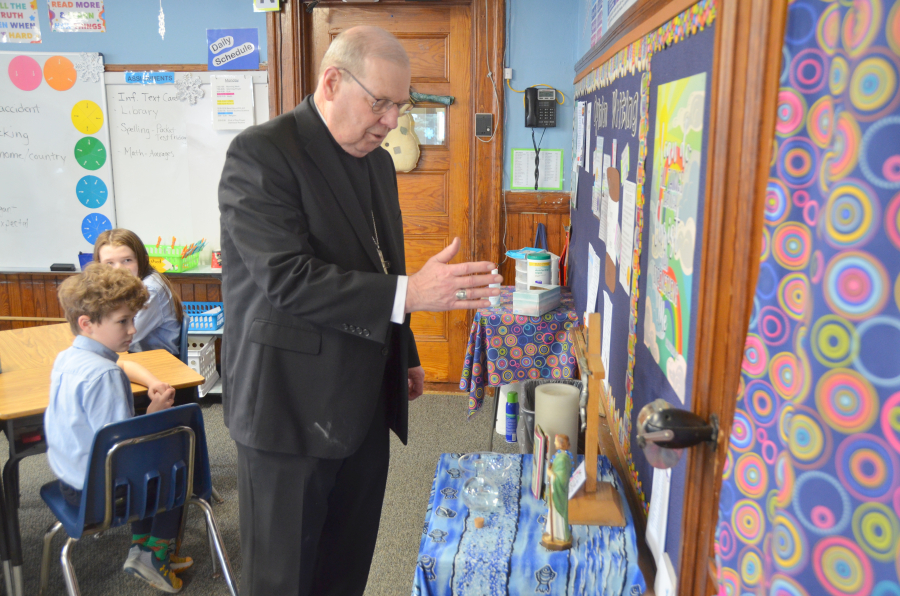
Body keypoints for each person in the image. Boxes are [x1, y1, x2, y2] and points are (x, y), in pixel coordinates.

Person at [218, 25, 502, 596]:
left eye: (402, 105)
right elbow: (285, 279)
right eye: (382, 103)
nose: (393, 120)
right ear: (331, 82)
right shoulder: (262, 153)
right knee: (283, 582)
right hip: (288, 410)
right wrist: (414, 296)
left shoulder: (374, 160)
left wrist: (406, 352)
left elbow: (381, 264)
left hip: (364, 399)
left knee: (345, 571)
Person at [44, 264, 193, 593]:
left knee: (157, 465)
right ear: (87, 324)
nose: (132, 329)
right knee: (179, 472)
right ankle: (155, 555)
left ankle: (141, 544)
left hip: (69, 479)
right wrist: (154, 412)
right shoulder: (105, 375)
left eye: (132, 319)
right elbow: (126, 451)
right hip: (97, 496)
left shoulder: (67, 357)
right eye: (122, 321)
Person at [93, 228, 185, 357]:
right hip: (133, 356)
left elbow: (124, 338)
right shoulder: (115, 287)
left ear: (140, 260)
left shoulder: (149, 289)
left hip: (156, 363)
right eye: (109, 263)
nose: (119, 269)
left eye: (127, 260)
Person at [542, 433, 573, 551]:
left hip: (558, 494)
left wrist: (550, 473)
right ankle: (552, 534)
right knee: (552, 514)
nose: (554, 443)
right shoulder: (559, 455)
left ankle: (559, 535)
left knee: (557, 515)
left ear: (561, 444)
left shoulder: (563, 459)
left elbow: (561, 479)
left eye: (556, 441)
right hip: (555, 492)